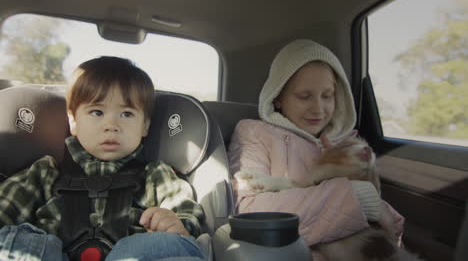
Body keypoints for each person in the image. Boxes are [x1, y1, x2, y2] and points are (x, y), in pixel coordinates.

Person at [0, 56, 206, 261]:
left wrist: (176, 223)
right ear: (73, 121)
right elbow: (6, 208)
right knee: (22, 241)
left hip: (132, 255)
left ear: (145, 126)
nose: (111, 125)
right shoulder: (45, 172)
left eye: (126, 114)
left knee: (167, 244)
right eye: (97, 112)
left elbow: (186, 209)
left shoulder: (155, 174)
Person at [228, 39, 404, 259]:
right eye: (304, 96)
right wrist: (355, 198)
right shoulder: (254, 134)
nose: (318, 109)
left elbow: (386, 223)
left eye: (327, 96)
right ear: (279, 97)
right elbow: (249, 212)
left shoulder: (350, 142)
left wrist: (371, 201)